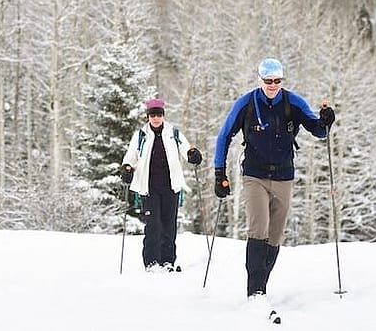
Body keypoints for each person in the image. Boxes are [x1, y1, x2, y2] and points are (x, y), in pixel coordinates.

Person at [213, 58, 335, 298]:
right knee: (259, 229)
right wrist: (220, 173)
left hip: (283, 176)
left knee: (275, 236)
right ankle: (254, 292)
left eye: (277, 81)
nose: (272, 85)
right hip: (254, 175)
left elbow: (319, 131)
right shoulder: (247, 103)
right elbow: (224, 135)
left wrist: (326, 121)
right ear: (260, 80)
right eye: (268, 81)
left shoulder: (293, 103)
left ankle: (261, 285)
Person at [121, 98, 203, 272]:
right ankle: (151, 262)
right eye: (152, 115)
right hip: (148, 187)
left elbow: (187, 149)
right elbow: (130, 156)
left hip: (170, 186)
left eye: (158, 115)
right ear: (148, 117)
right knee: (153, 225)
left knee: (169, 224)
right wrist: (127, 168)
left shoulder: (173, 133)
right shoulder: (141, 135)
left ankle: (168, 261)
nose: (156, 118)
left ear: (163, 116)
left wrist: (193, 154)